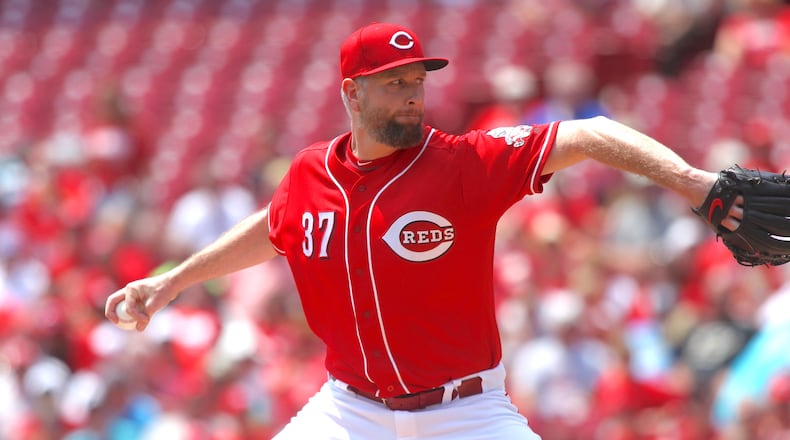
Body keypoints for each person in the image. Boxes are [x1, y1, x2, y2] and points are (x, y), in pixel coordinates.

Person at [105, 22, 744, 439]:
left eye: (417, 81)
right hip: (349, 410)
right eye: (395, 83)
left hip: (467, 413)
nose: (414, 94)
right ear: (353, 93)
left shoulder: (462, 165)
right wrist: (172, 283)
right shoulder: (309, 173)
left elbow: (591, 134)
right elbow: (277, 225)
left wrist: (695, 183)